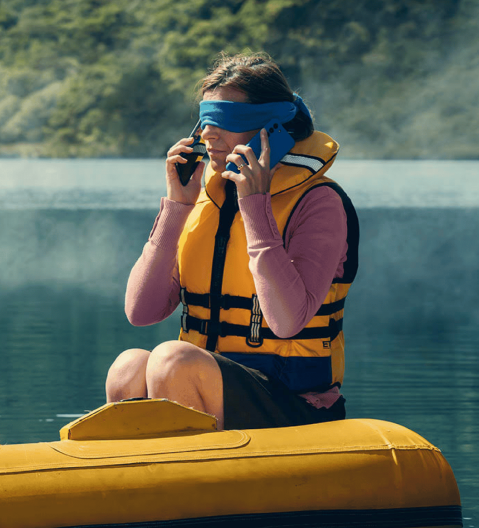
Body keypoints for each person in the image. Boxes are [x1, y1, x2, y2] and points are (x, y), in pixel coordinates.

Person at [105, 52, 358, 430]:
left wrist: (255, 207)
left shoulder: (319, 202)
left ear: (271, 129)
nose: (207, 134)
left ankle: (201, 478)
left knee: (174, 360)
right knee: (128, 367)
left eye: (224, 121)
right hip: (202, 384)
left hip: (295, 404)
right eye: (204, 121)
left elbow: (288, 322)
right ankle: (142, 477)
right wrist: (176, 207)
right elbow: (141, 312)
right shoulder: (206, 198)